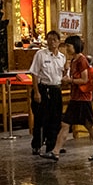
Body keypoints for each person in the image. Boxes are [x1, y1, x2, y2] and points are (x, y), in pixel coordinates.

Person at [60, 35, 93, 160]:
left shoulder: (82, 60)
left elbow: (84, 79)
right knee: (66, 124)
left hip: (83, 98)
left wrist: (70, 80)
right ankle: (55, 152)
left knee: (89, 125)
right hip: (76, 97)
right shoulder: (73, 61)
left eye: (68, 46)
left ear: (75, 46)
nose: (67, 49)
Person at [28, 30, 66, 159]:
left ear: (59, 42)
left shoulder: (62, 57)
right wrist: (36, 92)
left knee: (55, 118)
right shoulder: (41, 54)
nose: (52, 42)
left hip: (56, 89)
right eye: (49, 39)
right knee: (41, 118)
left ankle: (52, 146)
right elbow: (34, 73)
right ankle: (37, 144)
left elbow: (62, 74)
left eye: (55, 39)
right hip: (43, 88)